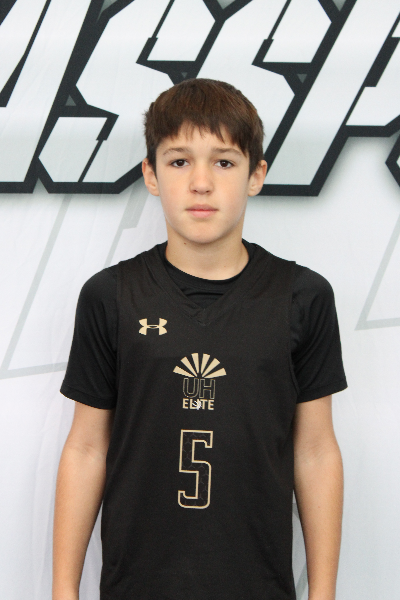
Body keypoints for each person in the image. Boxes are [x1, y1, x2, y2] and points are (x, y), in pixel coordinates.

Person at [53, 78, 346, 600]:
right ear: (151, 174)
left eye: (224, 162)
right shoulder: (110, 296)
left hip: (257, 586)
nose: (201, 183)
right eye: (180, 161)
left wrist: (323, 594)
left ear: (256, 175)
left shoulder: (302, 297)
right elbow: (86, 447)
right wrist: (62, 592)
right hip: (137, 586)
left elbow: (316, 450)